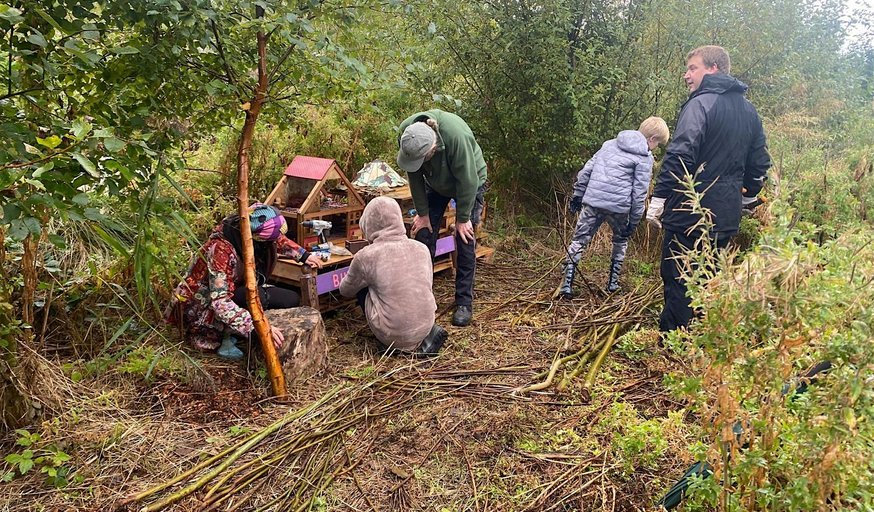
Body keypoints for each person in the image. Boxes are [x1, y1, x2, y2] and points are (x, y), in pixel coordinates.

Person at [646, 45, 770, 332]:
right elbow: (760, 162)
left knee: (679, 278)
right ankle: (701, 341)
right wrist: (747, 196)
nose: (686, 75)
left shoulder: (701, 104)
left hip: (689, 212)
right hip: (725, 216)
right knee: (709, 279)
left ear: (713, 69)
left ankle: (674, 345)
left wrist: (659, 198)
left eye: (693, 68)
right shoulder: (749, 111)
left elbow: (681, 153)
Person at [165, 203, 324, 359]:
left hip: (237, 289)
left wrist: (303, 255)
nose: (272, 244)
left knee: (290, 299)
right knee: (223, 326)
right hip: (202, 304)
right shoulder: (220, 250)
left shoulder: (251, 226)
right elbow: (220, 302)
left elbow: (278, 238)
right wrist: (257, 327)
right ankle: (223, 336)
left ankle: (238, 330)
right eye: (267, 241)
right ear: (254, 238)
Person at [559, 117, 670, 297]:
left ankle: (566, 283)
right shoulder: (644, 157)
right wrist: (633, 222)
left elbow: (587, 170)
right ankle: (612, 283)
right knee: (620, 240)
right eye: (658, 143)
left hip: (593, 202)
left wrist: (578, 195)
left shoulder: (609, 144)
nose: (656, 147)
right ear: (652, 139)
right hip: (619, 208)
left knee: (579, 240)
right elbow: (639, 193)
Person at [396, 109, 488, 327]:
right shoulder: (407, 135)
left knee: (464, 237)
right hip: (435, 183)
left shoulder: (456, 137)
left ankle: (464, 302)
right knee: (423, 233)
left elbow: (468, 180)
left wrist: (462, 218)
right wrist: (423, 214)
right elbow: (414, 175)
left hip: (469, 181)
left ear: (433, 148)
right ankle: (419, 297)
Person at [339, 196, 447, 356]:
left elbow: (345, 291)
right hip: (425, 324)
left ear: (368, 223)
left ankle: (391, 343)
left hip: (392, 333)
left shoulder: (367, 256)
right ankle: (423, 336)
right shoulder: (421, 248)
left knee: (363, 286)